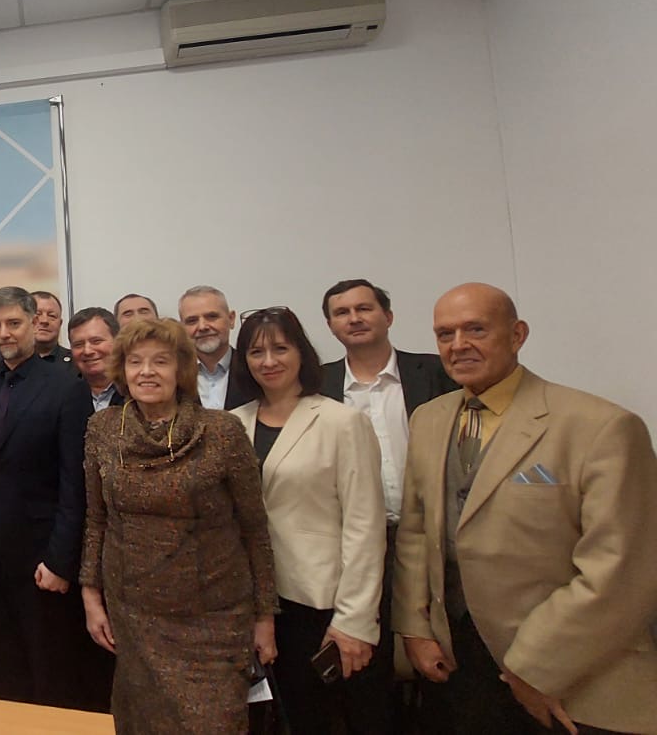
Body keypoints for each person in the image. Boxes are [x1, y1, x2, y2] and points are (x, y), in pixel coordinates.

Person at [395, 283, 657, 734]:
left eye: (476, 329)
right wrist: (414, 627)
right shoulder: (429, 419)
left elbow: (620, 569)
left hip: (575, 672)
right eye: (445, 334)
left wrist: (536, 666)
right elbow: (415, 532)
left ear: (517, 335)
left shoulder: (601, 427)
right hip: (461, 666)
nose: (458, 345)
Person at [80, 318, 278, 733]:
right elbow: (97, 519)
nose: (146, 372)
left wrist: (264, 617)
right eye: (135, 362)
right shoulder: (103, 429)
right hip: (133, 615)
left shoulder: (222, 431)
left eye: (160, 361)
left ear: (181, 370)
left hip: (215, 620)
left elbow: (254, 529)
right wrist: (91, 596)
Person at [229, 307, 387, 734]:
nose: (269, 361)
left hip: (321, 604)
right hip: (256, 604)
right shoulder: (232, 425)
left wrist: (354, 620)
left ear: (301, 352)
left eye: (280, 349)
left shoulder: (341, 422)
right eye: (256, 352)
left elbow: (365, 527)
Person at [0, 286, 103, 709]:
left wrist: (61, 560)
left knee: (49, 666)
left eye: (14, 323)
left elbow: (76, 484)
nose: (4, 333)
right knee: (2, 662)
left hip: (42, 558)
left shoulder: (68, 387)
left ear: (35, 323)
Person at [318, 278, 457, 727]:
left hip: (432, 536)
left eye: (364, 308)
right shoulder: (318, 385)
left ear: (388, 316)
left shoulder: (435, 372)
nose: (354, 318)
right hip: (356, 546)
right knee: (367, 665)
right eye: (342, 313)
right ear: (330, 326)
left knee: (444, 656)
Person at [179, 285, 259, 409]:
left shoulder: (254, 368)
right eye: (192, 321)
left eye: (212, 317)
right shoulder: (175, 375)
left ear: (231, 319)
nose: (202, 327)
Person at [69, 307, 124, 412]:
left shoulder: (134, 391)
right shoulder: (63, 393)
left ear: (117, 342)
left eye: (96, 341)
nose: (87, 351)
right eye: (78, 344)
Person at [30, 290, 73, 366]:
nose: (44, 321)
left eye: (52, 316)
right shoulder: (11, 361)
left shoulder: (76, 363)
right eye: (38, 314)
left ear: (60, 323)